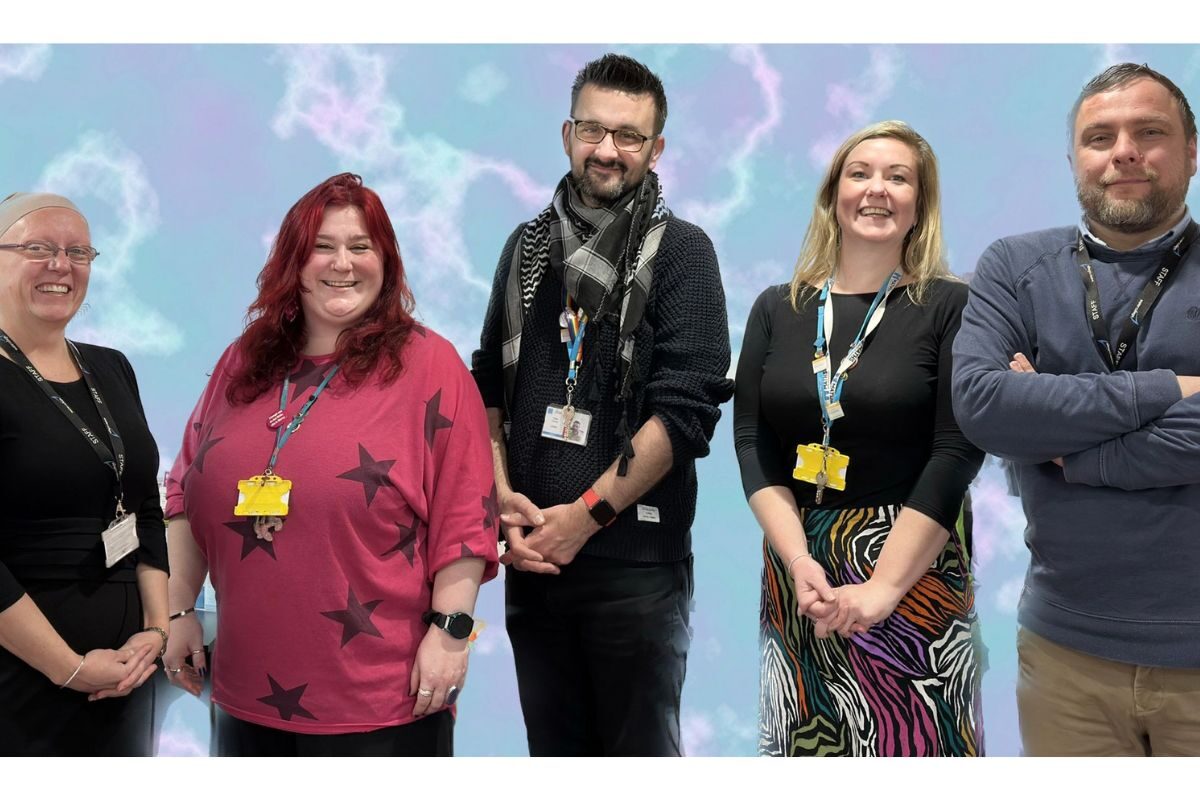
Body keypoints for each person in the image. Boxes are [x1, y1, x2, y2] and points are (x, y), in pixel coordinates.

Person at [162, 173, 498, 756]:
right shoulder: (242, 362)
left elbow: (466, 516)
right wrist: (179, 609)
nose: (341, 263)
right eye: (322, 246)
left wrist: (451, 635)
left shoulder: (430, 366)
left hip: (382, 705)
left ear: (385, 262)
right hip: (244, 696)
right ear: (293, 262)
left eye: (360, 246)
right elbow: (183, 493)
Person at [472, 53, 732, 756]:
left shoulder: (682, 252)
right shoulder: (525, 247)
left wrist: (585, 518)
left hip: (634, 568)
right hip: (534, 561)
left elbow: (687, 408)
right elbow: (487, 380)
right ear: (567, 135)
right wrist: (501, 497)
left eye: (629, 136)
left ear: (657, 149)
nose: (607, 150)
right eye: (593, 130)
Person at [953, 63, 1200, 757]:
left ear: (1191, 151)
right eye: (1101, 137)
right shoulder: (1015, 266)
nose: (1123, 150)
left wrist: (1069, 450)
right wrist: (1173, 390)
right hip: (1065, 658)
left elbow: (1021, 419)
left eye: (1149, 132)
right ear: (1074, 161)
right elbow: (984, 406)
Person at [734, 121, 985, 757]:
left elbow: (956, 451)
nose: (877, 189)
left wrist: (884, 589)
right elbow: (752, 444)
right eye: (860, 173)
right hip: (799, 570)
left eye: (898, 178)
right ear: (833, 195)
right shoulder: (777, 306)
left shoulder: (951, 305)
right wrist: (798, 562)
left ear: (920, 205)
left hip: (912, 567)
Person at [0, 192, 167, 755]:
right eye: (38, 248)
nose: (60, 266)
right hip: (22, 681)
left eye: (78, 252)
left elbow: (144, 508)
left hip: (127, 675)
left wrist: (157, 630)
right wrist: (67, 668)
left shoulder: (112, 366)